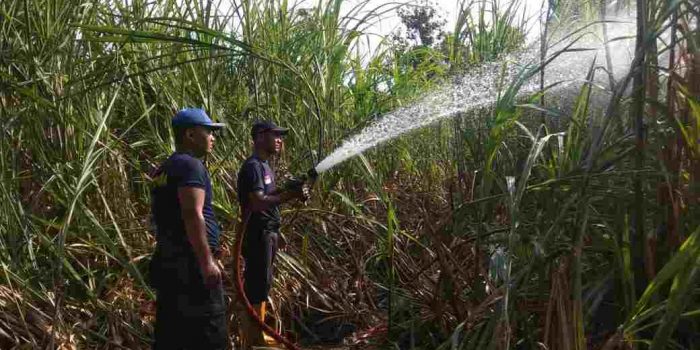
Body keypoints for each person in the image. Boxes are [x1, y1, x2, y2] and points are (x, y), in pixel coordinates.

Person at [149, 108, 227, 350]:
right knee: (209, 333)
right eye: (209, 131)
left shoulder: (165, 168)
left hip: (169, 263)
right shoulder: (191, 166)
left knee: (172, 335)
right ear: (191, 135)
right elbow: (192, 214)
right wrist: (206, 262)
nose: (213, 137)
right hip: (191, 268)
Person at [236, 121, 308, 347]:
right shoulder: (253, 166)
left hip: (268, 232)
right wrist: (290, 195)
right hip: (257, 235)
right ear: (259, 137)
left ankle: (258, 334)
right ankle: (253, 338)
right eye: (275, 135)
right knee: (257, 284)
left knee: (264, 282)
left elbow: (269, 199)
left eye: (281, 135)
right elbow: (257, 203)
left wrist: (289, 191)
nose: (280, 140)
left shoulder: (265, 166)